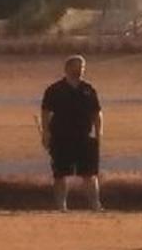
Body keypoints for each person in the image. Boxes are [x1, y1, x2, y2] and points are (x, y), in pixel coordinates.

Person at [39, 54, 103, 212]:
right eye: (77, 67)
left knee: (89, 174)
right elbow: (46, 112)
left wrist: (99, 132)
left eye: (82, 67)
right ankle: (61, 206)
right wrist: (46, 133)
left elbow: (97, 113)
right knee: (60, 174)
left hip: (84, 137)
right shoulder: (54, 90)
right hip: (61, 137)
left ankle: (96, 205)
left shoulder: (88, 89)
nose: (81, 70)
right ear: (67, 68)